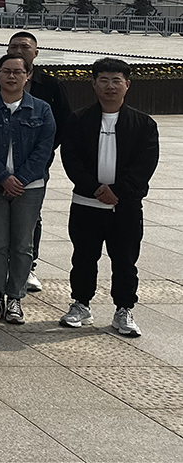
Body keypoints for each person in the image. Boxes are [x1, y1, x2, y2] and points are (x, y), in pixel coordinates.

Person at [60, 58, 159, 339]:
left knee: (125, 260)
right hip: (86, 204)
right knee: (83, 257)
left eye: (117, 81)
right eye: (103, 80)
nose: (110, 86)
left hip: (124, 207)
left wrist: (119, 192)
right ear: (94, 84)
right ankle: (81, 304)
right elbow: (71, 160)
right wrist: (94, 189)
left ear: (127, 85)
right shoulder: (78, 120)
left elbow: (145, 165)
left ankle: (124, 309)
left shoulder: (143, 124)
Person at [0, 53, 56, 325]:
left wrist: (21, 179)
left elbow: (44, 149)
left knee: (22, 244)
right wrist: (3, 177)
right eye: (6, 71)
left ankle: (15, 297)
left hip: (30, 187)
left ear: (27, 76)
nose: (11, 76)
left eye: (18, 72)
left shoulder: (41, 109)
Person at [0, 30, 71, 288]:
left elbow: (61, 125)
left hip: (34, 167)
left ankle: (28, 267)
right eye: (14, 47)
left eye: (24, 47)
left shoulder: (51, 85)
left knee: (31, 219)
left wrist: (41, 158)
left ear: (36, 53)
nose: (18, 51)